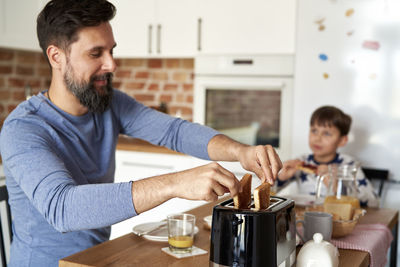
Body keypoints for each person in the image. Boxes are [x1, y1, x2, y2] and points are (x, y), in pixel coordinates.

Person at [0, 0, 282, 266]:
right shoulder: (23, 129)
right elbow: (63, 208)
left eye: (111, 50)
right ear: (56, 56)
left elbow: (174, 131)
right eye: (96, 53)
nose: (111, 64)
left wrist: (241, 152)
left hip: (97, 258)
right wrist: (175, 183)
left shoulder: (110, 103)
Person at [277, 105, 379, 207]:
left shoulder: (349, 165)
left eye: (327, 133)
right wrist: (281, 178)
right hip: (306, 216)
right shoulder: (302, 161)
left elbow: (373, 202)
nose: (317, 138)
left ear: (342, 140)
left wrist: (337, 187)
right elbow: (271, 194)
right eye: (314, 131)